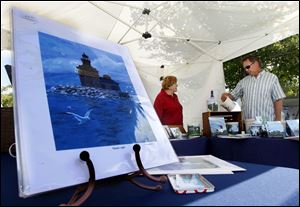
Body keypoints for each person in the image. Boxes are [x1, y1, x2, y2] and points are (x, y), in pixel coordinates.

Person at [221, 55, 286, 121]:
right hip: (247, 124)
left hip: (267, 124)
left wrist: (278, 120)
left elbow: (278, 99)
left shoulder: (272, 78)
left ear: (256, 63)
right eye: (245, 68)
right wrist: (226, 96)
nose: (246, 70)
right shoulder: (243, 81)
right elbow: (233, 96)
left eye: (248, 67)